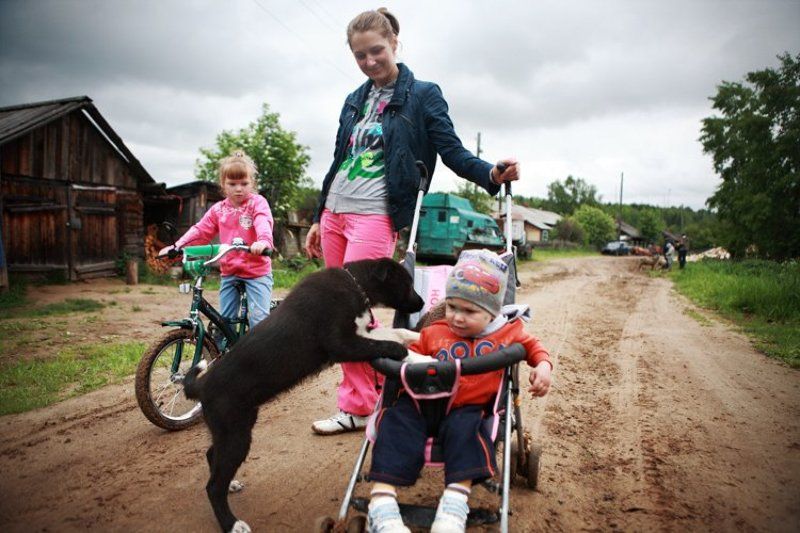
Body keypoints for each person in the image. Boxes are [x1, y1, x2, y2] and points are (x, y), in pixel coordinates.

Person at [305, 7, 521, 436]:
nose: (369, 61)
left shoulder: (423, 94)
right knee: (338, 311)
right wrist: (317, 216)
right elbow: (339, 161)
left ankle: (376, 396)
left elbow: (451, 150)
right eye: (360, 55)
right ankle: (361, 401)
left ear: (394, 43)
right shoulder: (354, 99)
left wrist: (491, 174)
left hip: (375, 215)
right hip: (334, 214)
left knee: (353, 310)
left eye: (376, 51)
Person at [365, 250, 552, 533]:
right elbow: (410, 357)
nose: (457, 318)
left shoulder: (506, 333)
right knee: (394, 421)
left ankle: (453, 505)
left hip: (467, 408)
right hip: (420, 402)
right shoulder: (434, 331)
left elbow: (532, 346)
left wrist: (543, 366)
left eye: (469, 311)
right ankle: (381, 506)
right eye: (452, 307)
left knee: (469, 431)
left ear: (492, 312)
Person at [160, 151, 274, 329]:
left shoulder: (257, 203)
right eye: (232, 184)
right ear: (223, 184)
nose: (238, 188)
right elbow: (200, 230)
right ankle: (223, 347)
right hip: (230, 271)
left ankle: (260, 347)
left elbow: (262, 221)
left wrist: (263, 241)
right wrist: (177, 246)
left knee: (259, 321)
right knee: (223, 322)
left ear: (252, 183)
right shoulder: (218, 210)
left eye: (244, 183)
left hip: (256, 271)